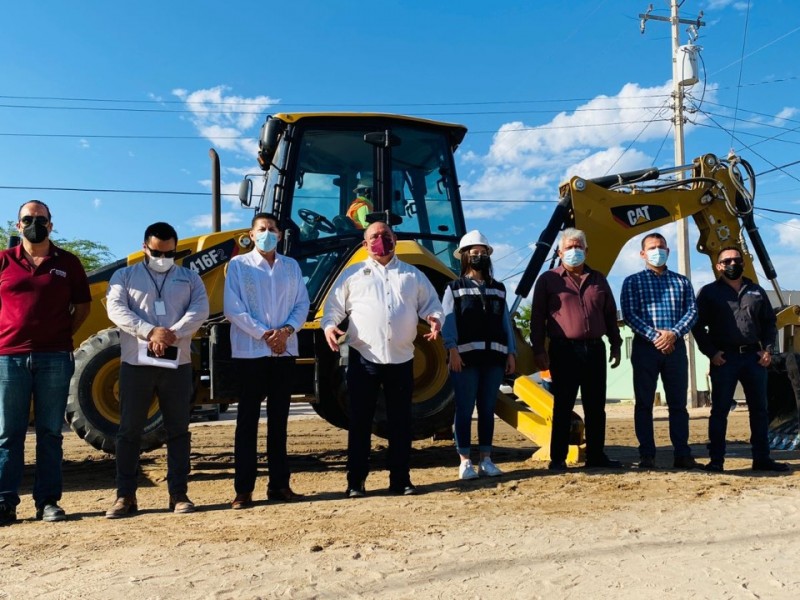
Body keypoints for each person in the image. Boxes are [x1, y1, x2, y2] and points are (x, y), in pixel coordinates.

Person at [322, 221, 443, 497]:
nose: (381, 240)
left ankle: (400, 480)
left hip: (401, 360)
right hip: (363, 359)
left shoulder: (412, 275)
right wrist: (329, 326)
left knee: (401, 423)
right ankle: (356, 481)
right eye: (374, 236)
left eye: (385, 235)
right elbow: (333, 309)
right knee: (360, 422)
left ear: (395, 239)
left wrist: (435, 318)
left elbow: (431, 305)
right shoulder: (352, 274)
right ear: (365, 244)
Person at [105, 222, 209, 518]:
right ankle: (125, 496)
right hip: (136, 365)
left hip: (177, 365)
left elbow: (199, 309)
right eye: (155, 251)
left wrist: (171, 333)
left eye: (169, 252)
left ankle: (179, 494)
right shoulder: (124, 276)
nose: (162, 257)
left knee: (178, 430)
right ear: (144, 248)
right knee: (128, 432)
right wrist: (151, 331)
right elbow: (116, 310)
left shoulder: (190, 278)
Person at [0, 200, 91, 526]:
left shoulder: (68, 263)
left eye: (40, 219)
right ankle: (4, 502)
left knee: (50, 432)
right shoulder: (3, 261)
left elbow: (82, 306)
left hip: (55, 358)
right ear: (17, 224)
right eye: (28, 219)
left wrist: (62, 335)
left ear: (51, 225)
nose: (33, 223)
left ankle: (48, 502)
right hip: (9, 359)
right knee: (9, 434)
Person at [224, 213, 310, 508]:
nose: (267, 233)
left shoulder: (291, 267)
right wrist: (265, 335)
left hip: (284, 351)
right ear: (251, 233)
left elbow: (302, 303)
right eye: (262, 229)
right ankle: (243, 489)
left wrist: (285, 332)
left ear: (281, 235)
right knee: (247, 421)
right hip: (251, 352)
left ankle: (279, 485)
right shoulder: (238, 265)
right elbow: (233, 308)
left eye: (272, 229)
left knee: (279, 421)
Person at [530, 228, 623, 472]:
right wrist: (539, 350)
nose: (574, 251)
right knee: (563, 405)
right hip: (563, 351)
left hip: (595, 350)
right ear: (560, 252)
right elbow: (537, 318)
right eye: (569, 247)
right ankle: (558, 458)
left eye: (578, 247)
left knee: (596, 406)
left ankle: (596, 455)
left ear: (587, 250)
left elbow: (610, 314)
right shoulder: (548, 280)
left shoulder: (599, 279)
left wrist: (616, 343)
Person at [692, 247, 789, 473]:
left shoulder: (756, 291)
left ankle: (762, 459)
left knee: (760, 411)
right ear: (718, 266)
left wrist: (767, 350)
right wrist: (711, 353)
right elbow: (697, 326)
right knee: (720, 411)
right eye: (727, 261)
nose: (732, 263)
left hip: (754, 359)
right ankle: (717, 460)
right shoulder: (708, 293)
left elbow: (769, 323)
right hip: (724, 359)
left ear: (743, 263)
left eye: (737, 260)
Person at [620, 232, 700, 470]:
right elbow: (629, 315)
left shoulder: (681, 282)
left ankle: (682, 454)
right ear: (643, 253)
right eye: (652, 247)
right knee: (644, 404)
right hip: (646, 348)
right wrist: (657, 336)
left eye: (662, 247)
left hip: (675, 348)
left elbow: (692, 312)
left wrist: (673, 333)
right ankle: (647, 454)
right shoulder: (632, 282)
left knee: (678, 405)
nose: (658, 251)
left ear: (668, 251)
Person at [442, 230, 516, 480]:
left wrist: (511, 352)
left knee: (487, 409)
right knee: (464, 409)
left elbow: (506, 322)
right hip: (464, 358)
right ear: (464, 256)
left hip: (494, 358)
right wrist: (451, 349)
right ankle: (464, 461)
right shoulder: (454, 288)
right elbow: (447, 322)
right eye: (474, 253)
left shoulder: (499, 289)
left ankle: (486, 459)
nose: (479, 256)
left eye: (483, 253)